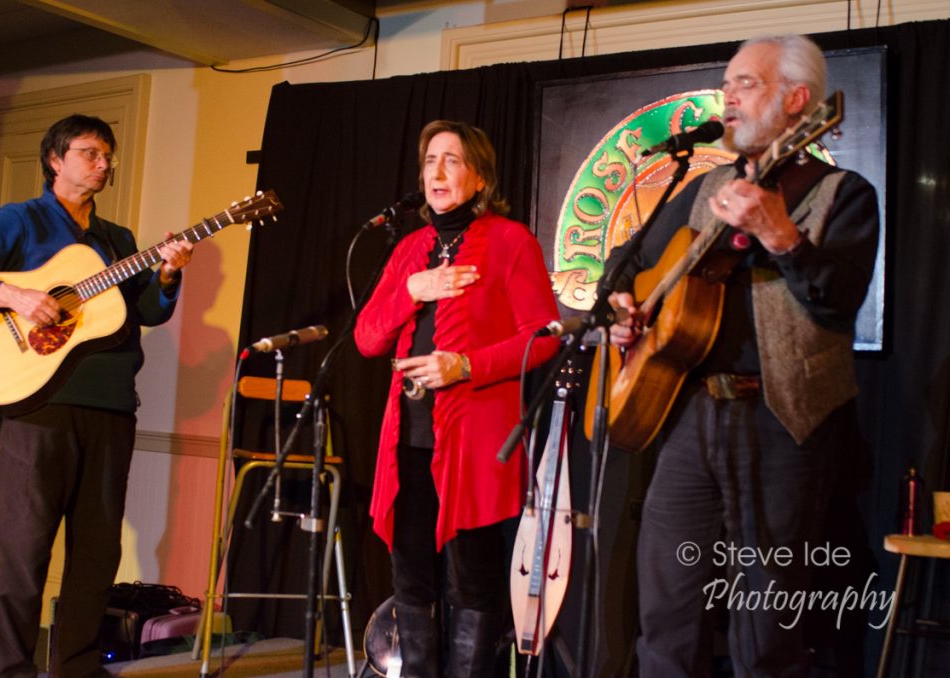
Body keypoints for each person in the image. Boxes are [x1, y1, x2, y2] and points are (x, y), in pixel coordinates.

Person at [605, 35, 880, 675]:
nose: (727, 96)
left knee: (768, 629)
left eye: (745, 83)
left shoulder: (844, 192)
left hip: (783, 422)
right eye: (726, 84)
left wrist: (781, 235)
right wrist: (625, 312)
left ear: (798, 101)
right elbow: (627, 270)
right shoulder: (705, 189)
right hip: (689, 416)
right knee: (665, 618)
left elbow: (838, 302)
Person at [0, 114, 193, 677]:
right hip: (40, 410)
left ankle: (74, 665)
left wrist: (167, 275)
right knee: (24, 553)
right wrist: (13, 296)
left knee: (97, 555)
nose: (104, 164)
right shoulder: (20, 221)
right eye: (92, 153)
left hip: (112, 410)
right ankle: (6, 671)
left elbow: (144, 311)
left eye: (108, 156)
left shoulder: (117, 241)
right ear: (56, 159)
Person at [354, 120, 560, 677]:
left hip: (477, 441)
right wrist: (411, 290)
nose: (438, 172)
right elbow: (368, 337)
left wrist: (464, 365)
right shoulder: (411, 249)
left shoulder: (511, 241)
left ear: (478, 177)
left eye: (452, 160)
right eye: (430, 161)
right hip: (409, 439)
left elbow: (543, 337)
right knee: (412, 578)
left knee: (472, 579)